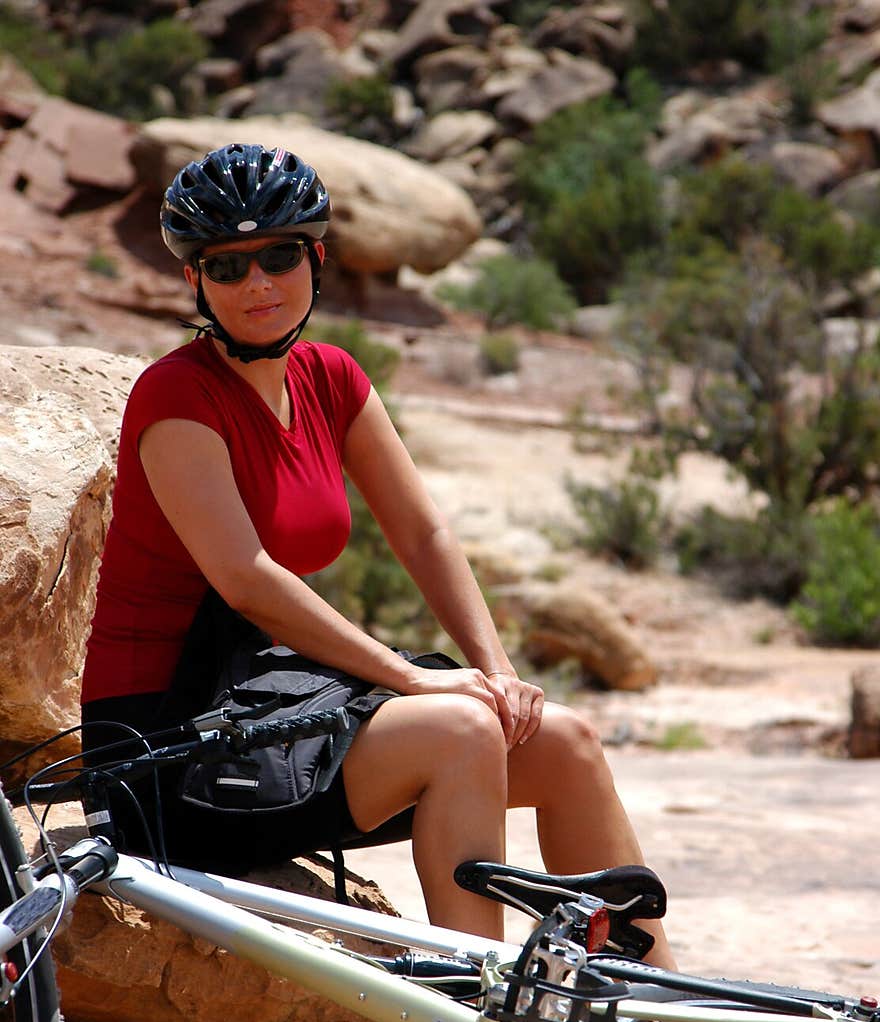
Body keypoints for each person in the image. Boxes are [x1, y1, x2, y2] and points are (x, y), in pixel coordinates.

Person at [81, 140, 674, 962]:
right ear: (195, 282)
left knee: (562, 742)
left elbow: (424, 533)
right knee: (461, 733)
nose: (257, 282)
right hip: (169, 745)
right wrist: (414, 679)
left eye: (279, 255)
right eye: (228, 265)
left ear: (317, 259)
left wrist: (495, 671)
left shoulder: (331, 378)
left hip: (268, 705)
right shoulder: (176, 396)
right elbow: (246, 580)